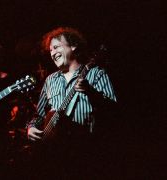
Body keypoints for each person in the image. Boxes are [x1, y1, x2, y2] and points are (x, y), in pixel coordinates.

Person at [26, 27, 117, 178]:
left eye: (56, 47)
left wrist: (91, 92)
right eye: (50, 50)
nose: (53, 53)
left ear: (73, 46)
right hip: (53, 157)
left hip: (86, 152)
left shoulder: (96, 74)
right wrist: (31, 128)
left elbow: (114, 110)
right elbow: (38, 115)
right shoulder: (50, 81)